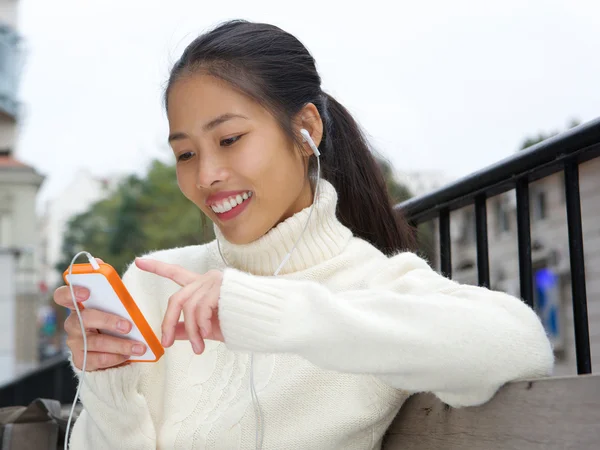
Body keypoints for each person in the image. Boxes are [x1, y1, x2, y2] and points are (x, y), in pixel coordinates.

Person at [54, 20, 554, 450]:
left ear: (305, 130)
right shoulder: (153, 284)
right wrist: (109, 384)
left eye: (229, 140)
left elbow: (520, 344)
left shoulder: (371, 285)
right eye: (186, 153)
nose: (205, 175)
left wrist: (271, 312)